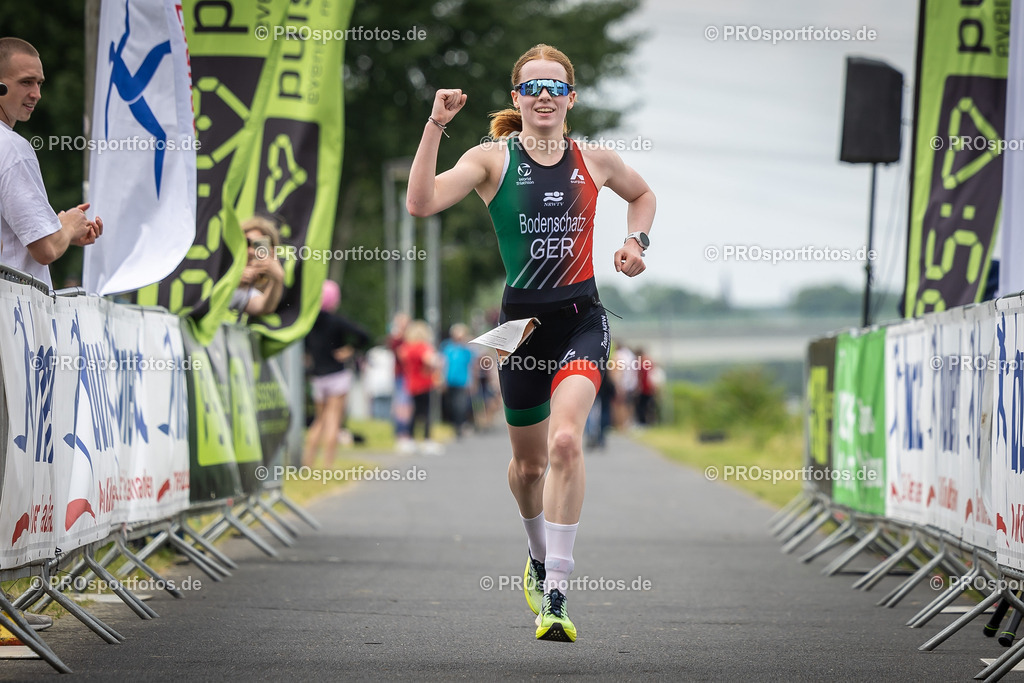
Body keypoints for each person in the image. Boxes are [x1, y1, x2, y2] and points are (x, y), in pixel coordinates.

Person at [406, 44, 655, 642]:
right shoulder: (489, 159)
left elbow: (642, 198)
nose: (544, 96)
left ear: (571, 98)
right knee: (528, 466)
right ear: (517, 99)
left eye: (555, 87)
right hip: (521, 330)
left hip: (580, 319)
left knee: (567, 441)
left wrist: (635, 244)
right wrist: (436, 124)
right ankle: (537, 554)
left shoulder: (595, 160)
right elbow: (420, 203)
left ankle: (558, 594)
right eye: (532, 87)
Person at [0, 38, 101, 288]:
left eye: (39, 83)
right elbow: (45, 250)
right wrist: (67, 227)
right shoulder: (11, 147)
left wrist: (57, 231)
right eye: (26, 82)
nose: (37, 94)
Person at [302, 280, 370, 469]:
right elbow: (364, 334)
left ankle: (307, 463)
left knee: (318, 421)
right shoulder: (337, 321)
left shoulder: (309, 322)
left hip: (318, 376)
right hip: (337, 376)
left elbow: (305, 348)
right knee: (333, 420)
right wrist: (350, 349)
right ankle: (327, 465)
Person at [398, 320, 441, 455]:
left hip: (411, 384)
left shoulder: (406, 347)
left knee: (414, 412)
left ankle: (409, 439)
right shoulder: (423, 347)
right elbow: (432, 360)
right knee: (426, 412)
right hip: (424, 383)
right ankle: (427, 440)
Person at [231, 215, 284, 317]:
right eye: (247, 242)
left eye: (258, 246)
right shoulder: (216, 262)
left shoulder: (247, 289)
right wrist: (234, 278)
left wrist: (278, 278)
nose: (251, 251)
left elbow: (262, 307)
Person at [440, 323, 474, 438]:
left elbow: (471, 366)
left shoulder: (466, 349)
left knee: (460, 405)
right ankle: (453, 424)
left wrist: (472, 381)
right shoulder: (447, 347)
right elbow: (443, 364)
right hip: (450, 380)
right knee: (450, 404)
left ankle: (459, 426)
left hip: (462, 381)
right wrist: (442, 379)